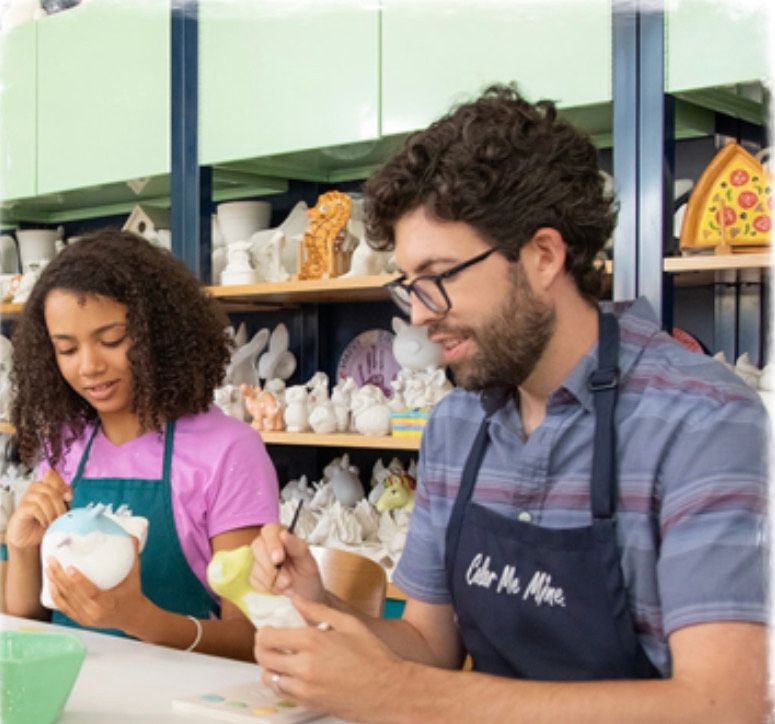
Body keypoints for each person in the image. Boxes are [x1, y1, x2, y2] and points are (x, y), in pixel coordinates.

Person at [248, 85, 769, 721]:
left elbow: (722, 706)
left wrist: (398, 696)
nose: (417, 315)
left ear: (543, 255)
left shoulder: (702, 420)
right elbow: (426, 647)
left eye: (438, 278)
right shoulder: (459, 424)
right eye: (408, 286)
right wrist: (319, 610)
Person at [4, 229, 279, 660]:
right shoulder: (67, 443)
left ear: (159, 333)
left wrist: (140, 619)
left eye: (112, 340)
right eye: (67, 349)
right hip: (75, 690)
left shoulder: (228, 451)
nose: (90, 367)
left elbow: (252, 639)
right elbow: (29, 619)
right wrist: (21, 550)